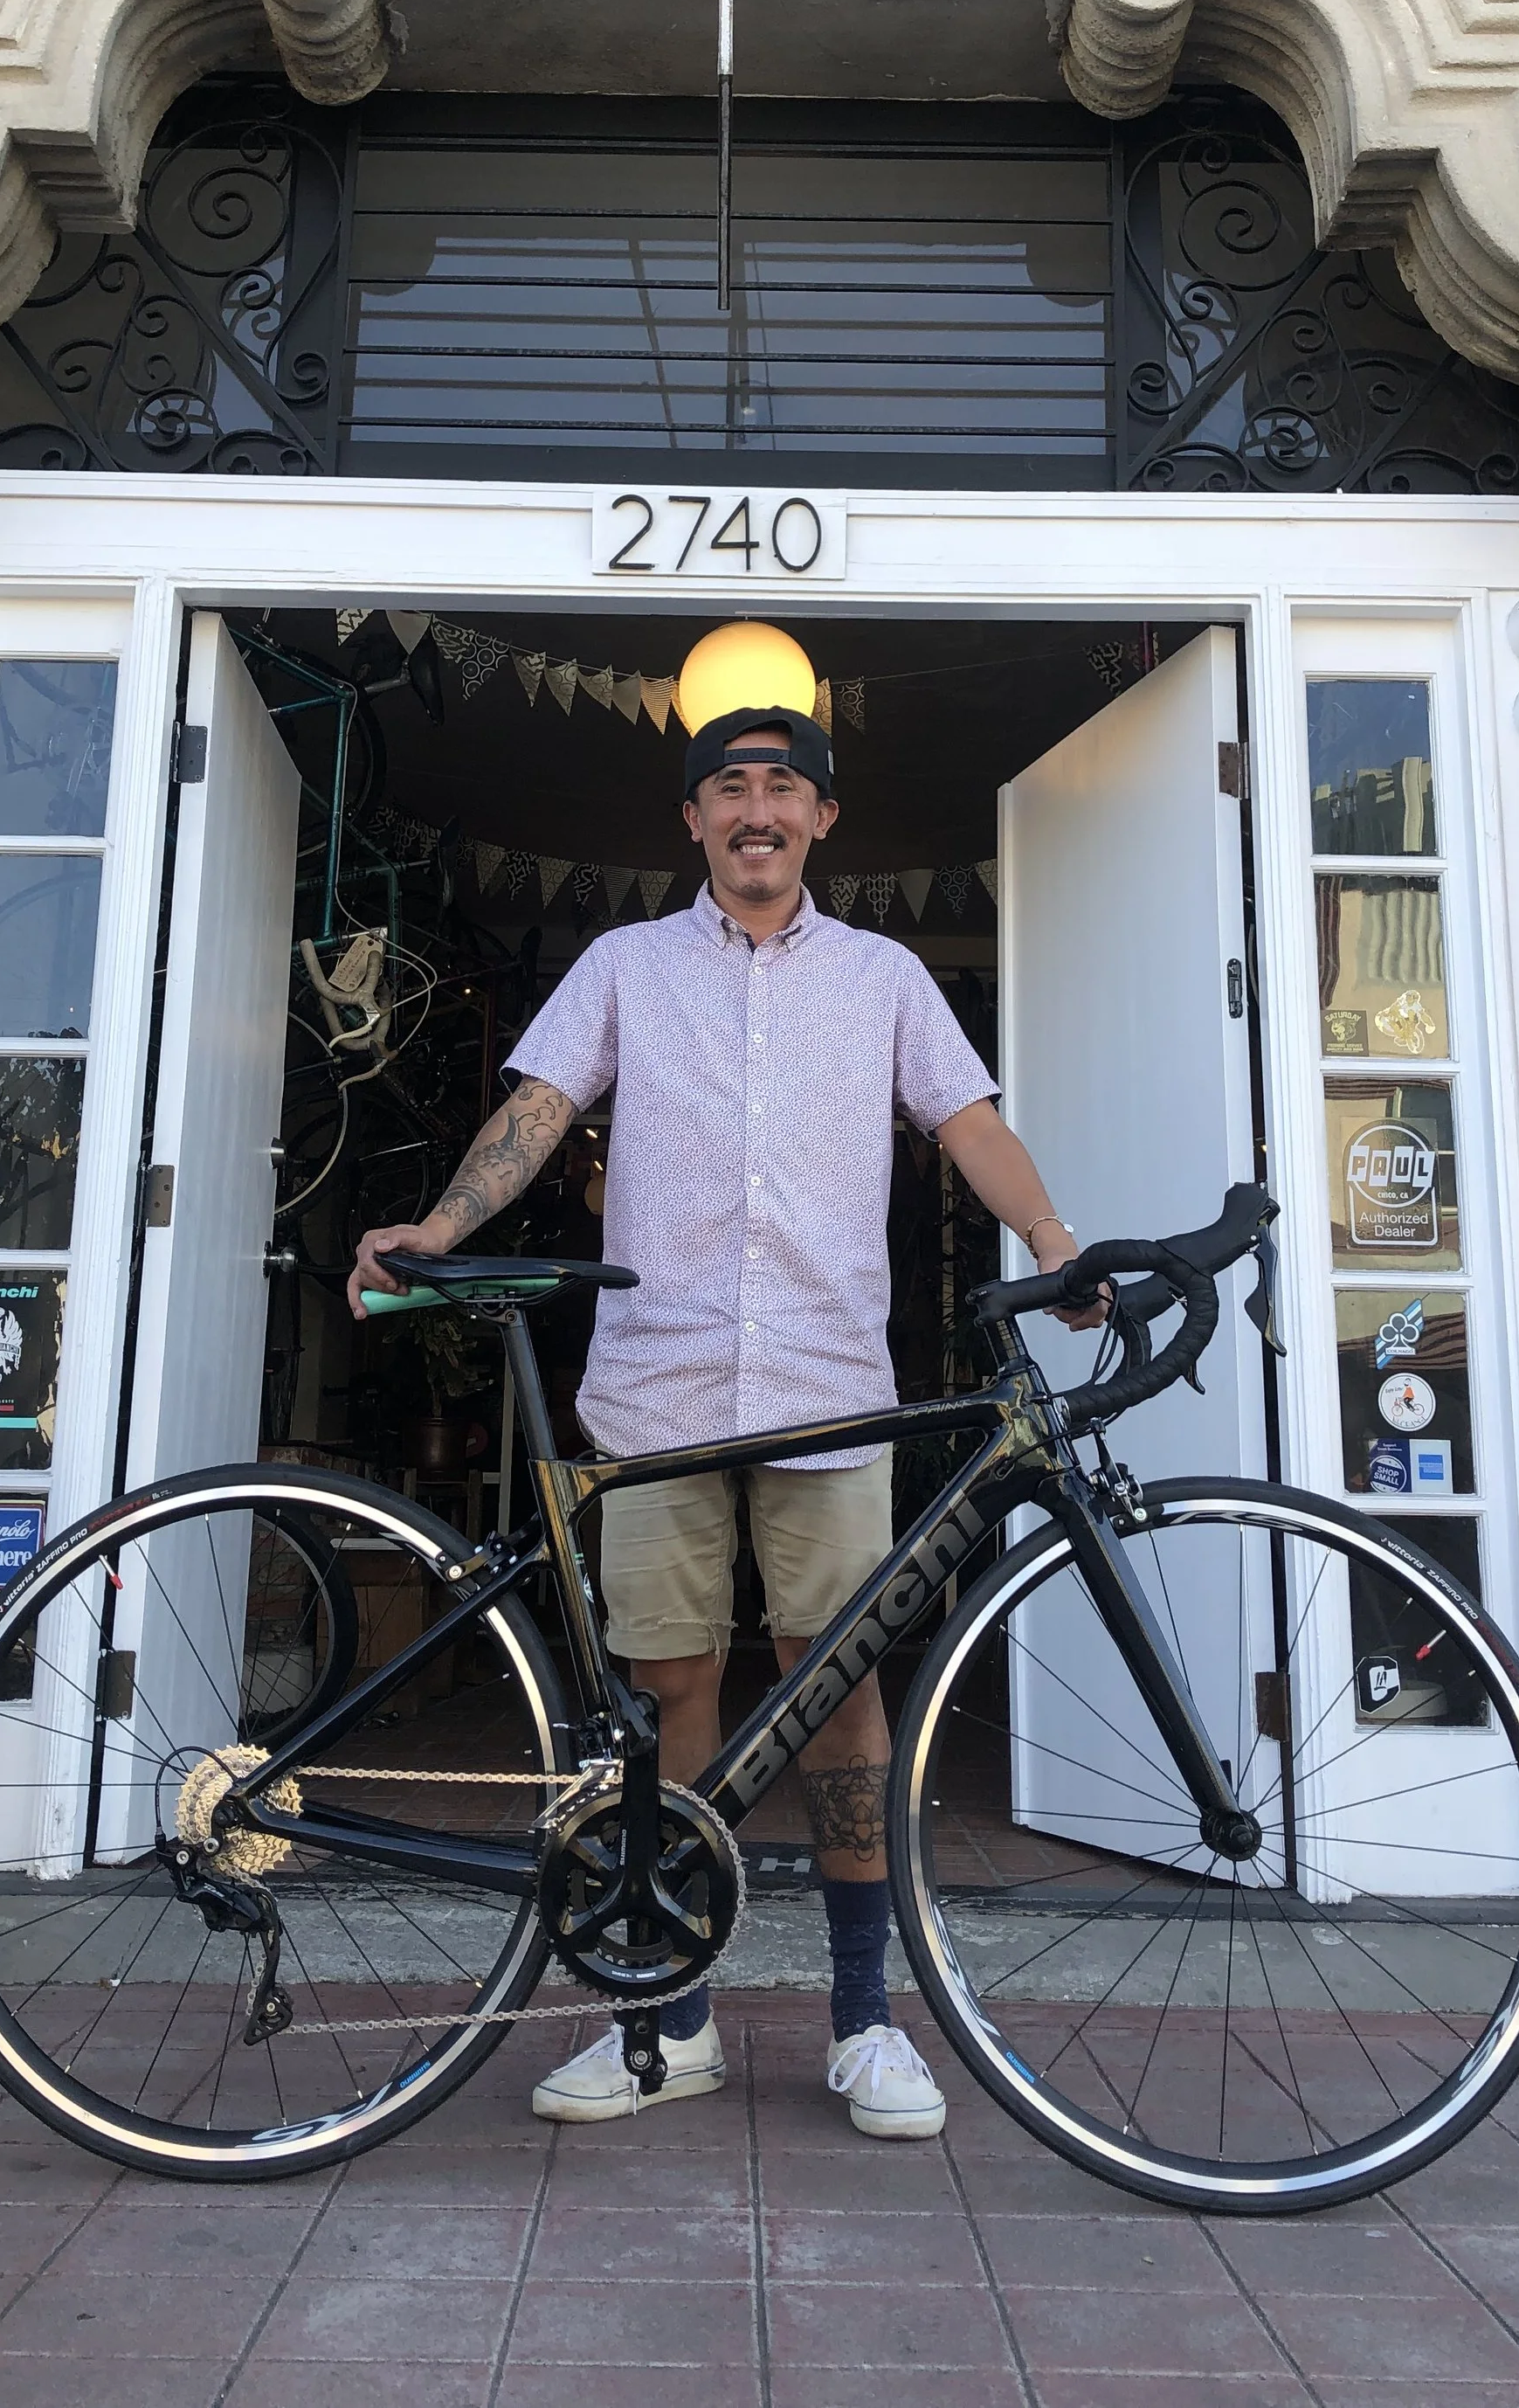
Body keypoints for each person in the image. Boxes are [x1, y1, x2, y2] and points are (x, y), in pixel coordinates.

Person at [349, 702, 1095, 2139]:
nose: (756, 810)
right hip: (658, 1394)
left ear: (822, 819)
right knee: (667, 1700)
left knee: (841, 1701)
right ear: (691, 820)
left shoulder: (882, 976)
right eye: (729, 788)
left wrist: (1054, 1242)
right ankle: (664, 2023)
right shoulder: (627, 965)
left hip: (828, 1391)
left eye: (782, 789)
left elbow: (968, 1122)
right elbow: (538, 1107)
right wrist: (440, 1221)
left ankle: (867, 2023)